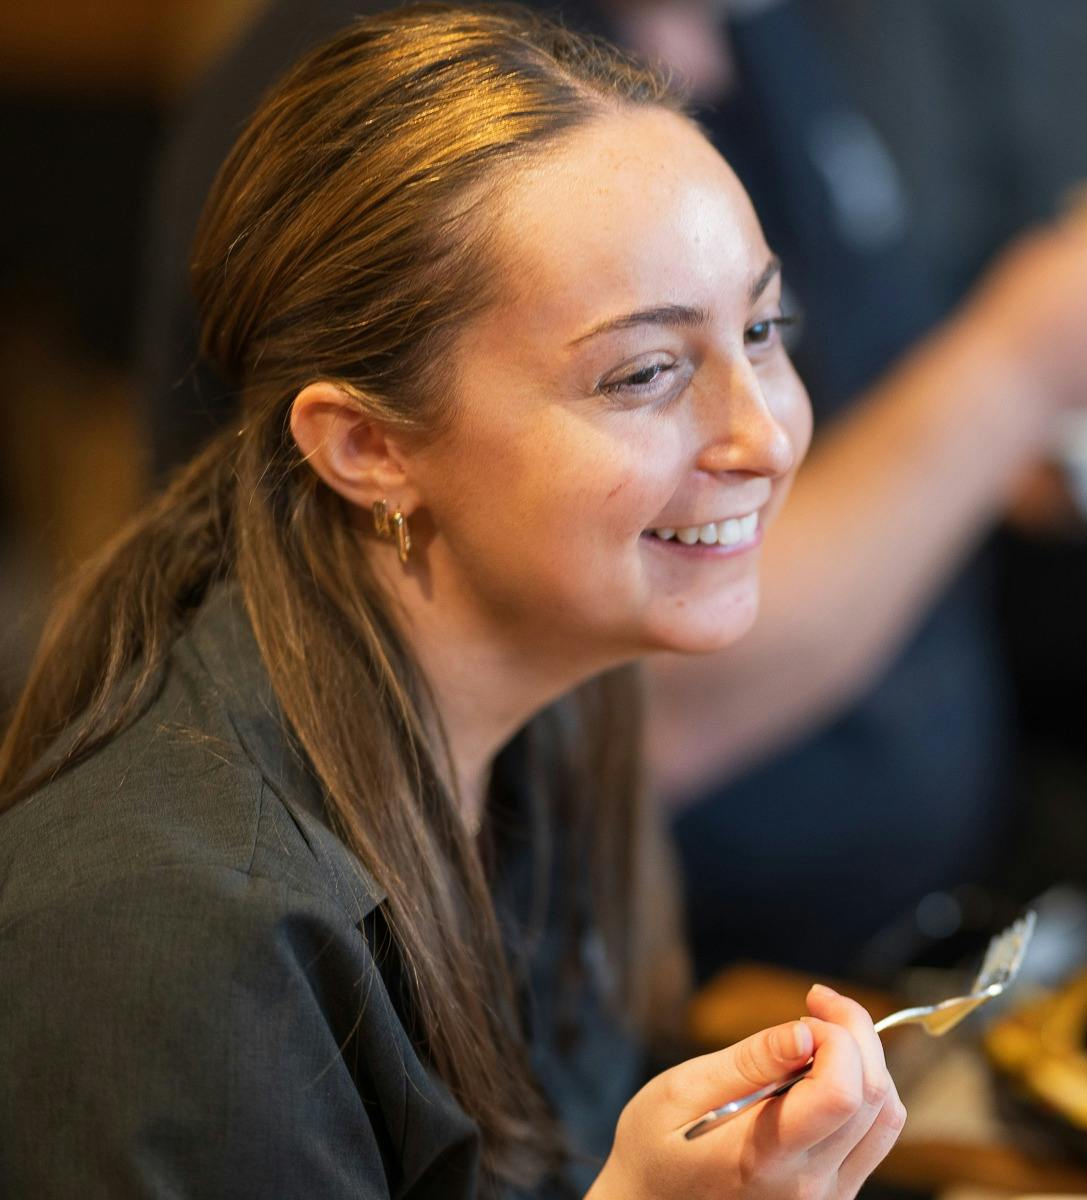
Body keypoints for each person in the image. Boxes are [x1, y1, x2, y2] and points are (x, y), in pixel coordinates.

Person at [1, 9, 912, 1196]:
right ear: (366, 446)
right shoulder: (178, 944)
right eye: (644, 374)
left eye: (761, 329)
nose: (765, 436)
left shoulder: (560, 709)